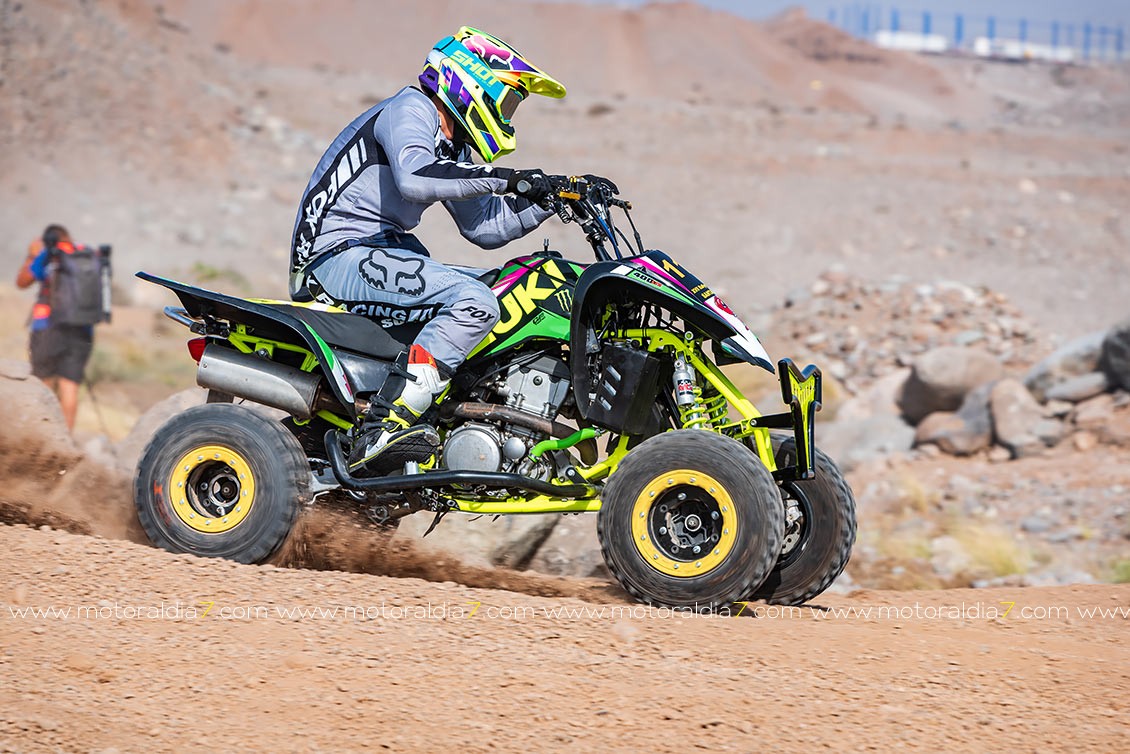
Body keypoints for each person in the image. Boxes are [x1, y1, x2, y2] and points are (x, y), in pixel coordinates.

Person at [289, 26, 568, 472]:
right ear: (473, 82)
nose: (509, 117)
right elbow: (415, 177)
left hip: (380, 251)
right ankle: (385, 426)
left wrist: (553, 197)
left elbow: (484, 226)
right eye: (507, 102)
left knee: (507, 290)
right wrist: (507, 178)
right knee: (474, 301)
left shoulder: (452, 144)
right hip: (336, 255)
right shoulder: (410, 108)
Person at [15, 224, 95, 431]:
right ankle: (65, 439)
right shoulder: (87, 254)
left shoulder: (49, 254)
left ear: (48, 239)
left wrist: (32, 255)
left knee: (43, 384)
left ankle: (44, 435)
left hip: (48, 326)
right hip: (82, 328)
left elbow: (22, 281)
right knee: (70, 387)